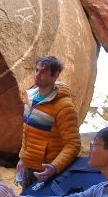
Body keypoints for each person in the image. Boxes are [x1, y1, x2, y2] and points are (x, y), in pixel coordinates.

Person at [16, 56, 80, 189]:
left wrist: (54, 167)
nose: (37, 75)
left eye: (43, 72)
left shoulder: (64, 106)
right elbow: (27, 132)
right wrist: (23, 158)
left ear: (56, 75)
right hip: (28, 166)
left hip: (46, 170)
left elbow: (73, 144)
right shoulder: (31, 96)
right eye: (37, 70)